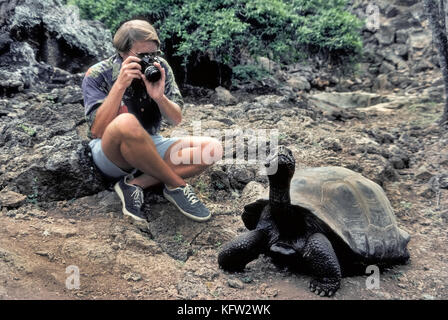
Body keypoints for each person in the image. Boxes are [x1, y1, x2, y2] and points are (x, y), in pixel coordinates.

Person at [82, 19, 223, 223]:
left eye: (153, 54)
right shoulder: (97, 74)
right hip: (111, 152)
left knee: (213, 148)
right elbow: (97, 130)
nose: (149, 60)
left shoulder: (160, 67)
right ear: (123, 53)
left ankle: (134, 185)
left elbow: (176, 118)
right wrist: (120, 85)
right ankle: (177, 185)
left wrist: (159, 97)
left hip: (149, 143)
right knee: (127, 122)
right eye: (141, 55)